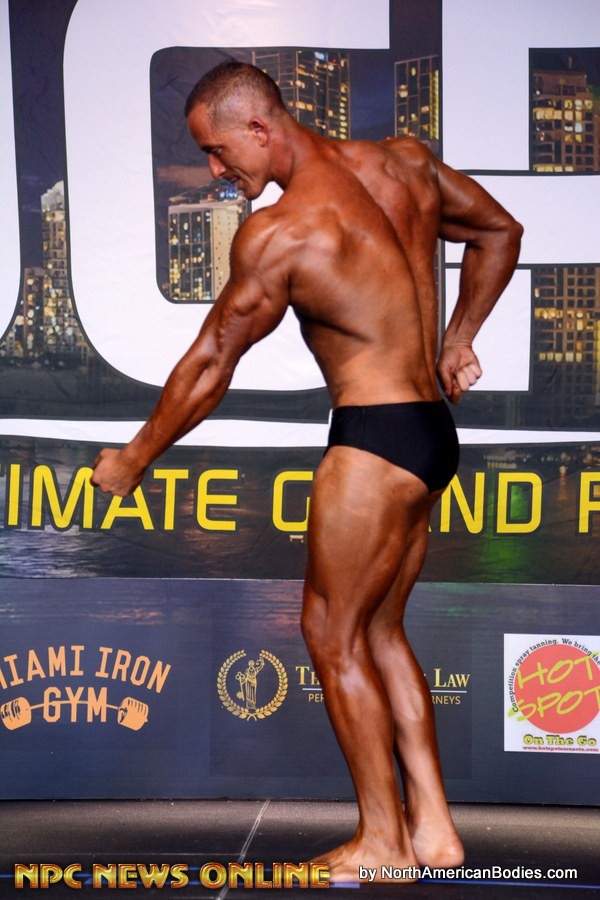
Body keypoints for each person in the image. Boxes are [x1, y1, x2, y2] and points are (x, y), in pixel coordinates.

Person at [91, 61, 522, 882]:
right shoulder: (404, 163)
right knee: (381, 631)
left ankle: (384, 842)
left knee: (331, 635)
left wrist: (135, 458)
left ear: (260, 128)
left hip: (373, 440)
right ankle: (434, 829)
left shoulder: (283, 233)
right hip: (431, 434)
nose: (215, 171)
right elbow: (501, 231)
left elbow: (212, 362)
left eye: (219, 150)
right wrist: (458, 338)